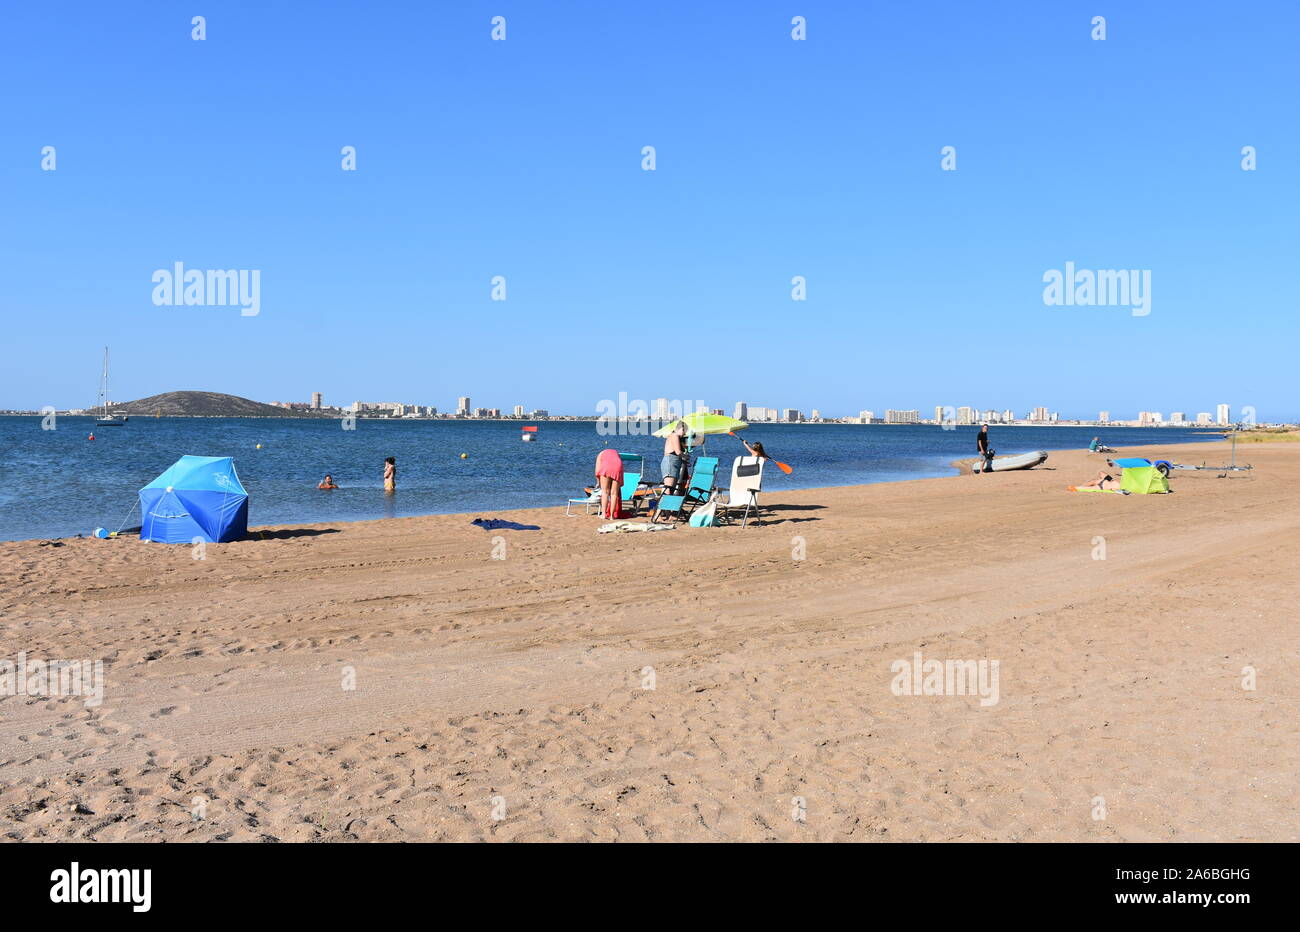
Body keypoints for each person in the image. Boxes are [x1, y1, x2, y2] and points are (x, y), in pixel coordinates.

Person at [594, 447, 625, 519]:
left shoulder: (600, 454)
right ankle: (612, 516)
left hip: (606, 467)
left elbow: (597, 471)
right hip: (618, 466)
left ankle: (603, 514)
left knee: (605, 492)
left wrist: (598, 482)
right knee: (614, 493)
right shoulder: (616, 453)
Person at [662, 422, 688, 492]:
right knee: (668, 488)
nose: (685, 433)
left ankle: (668, 499)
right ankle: (665, 499)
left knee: (671, 488)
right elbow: (678, 452)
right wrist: (686, 456)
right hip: (670, 462)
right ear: (681, 428)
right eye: (685, 431)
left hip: (672, 462)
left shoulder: (675, 436)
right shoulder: (674, 435)